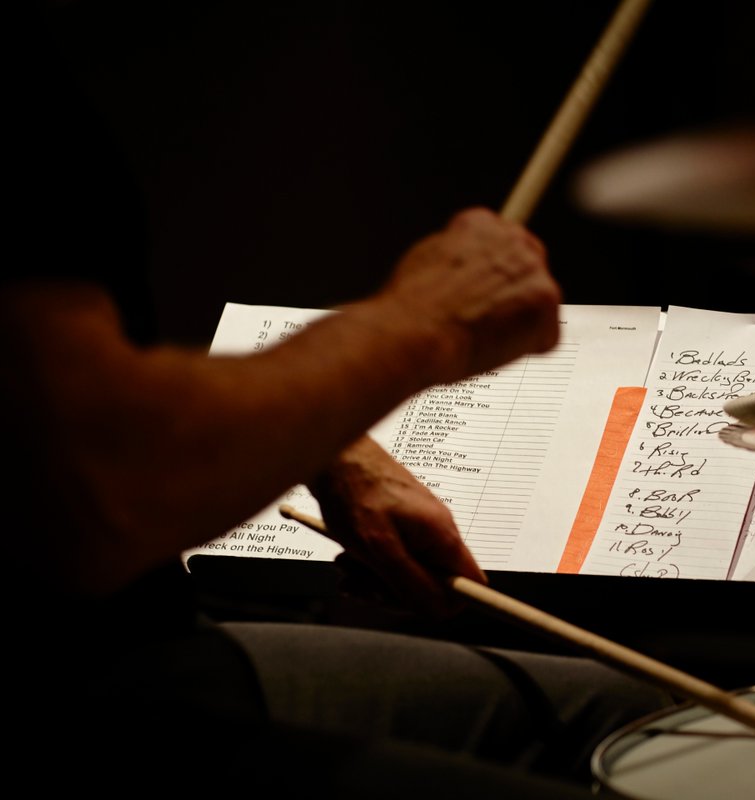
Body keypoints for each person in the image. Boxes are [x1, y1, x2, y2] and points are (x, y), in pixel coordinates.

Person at [8, 4, 669, 796]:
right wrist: (428, 320)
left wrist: (326, 446)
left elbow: (36, 402)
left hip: (134, 647)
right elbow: (100, 491)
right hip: (73, 708)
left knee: (642, 722)